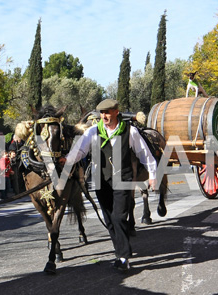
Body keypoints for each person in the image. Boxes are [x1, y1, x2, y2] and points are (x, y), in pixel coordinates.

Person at [62, 99, 157, 272]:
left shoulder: (130, 131)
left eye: (107, 112)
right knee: (109, 219)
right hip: (101, 181)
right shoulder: (92, 132)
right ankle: (120, 252)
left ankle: (123, 256)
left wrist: (152, 175)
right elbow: (79, 151)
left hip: (124, 179)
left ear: (116, 112)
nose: (104, 116)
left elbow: (145, 154)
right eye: (102, 113)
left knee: (120, 217)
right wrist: (66, 161)